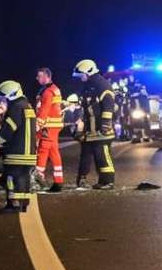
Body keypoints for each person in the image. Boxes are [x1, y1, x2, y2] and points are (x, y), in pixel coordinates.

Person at [0, 80, 38, 213]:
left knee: (11, 178)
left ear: (11, 95)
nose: (3, 102)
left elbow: (8, 130)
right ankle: (23, 204)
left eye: (4, 99)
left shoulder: (16, 108)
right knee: (23, 178)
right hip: (28, 152)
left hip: (16, 152)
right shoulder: (27, 106)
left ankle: (13, 205)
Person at [73, 59, 116, 189]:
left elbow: (108, 106)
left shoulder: (103, 85)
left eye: (82, 75)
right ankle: (93, 180)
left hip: (100, 129)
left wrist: (105, 124)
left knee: (102, 155)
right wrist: (81, 129)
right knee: (89, 155)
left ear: (89, 72)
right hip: (90, 129)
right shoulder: (89, 86)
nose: (81, 78)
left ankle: (108, 181)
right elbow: (84, 109)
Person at [33, 67, 64, 192]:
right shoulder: (53, 89)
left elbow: (44, 109)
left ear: (47, 76)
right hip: (53, 125)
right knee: (53, 152)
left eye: (39, 76)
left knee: (43, 150)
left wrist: (37, 125)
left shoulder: (48, 91)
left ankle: (39, 178)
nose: (37, 78)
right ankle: (58, 181)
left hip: (48, 126)